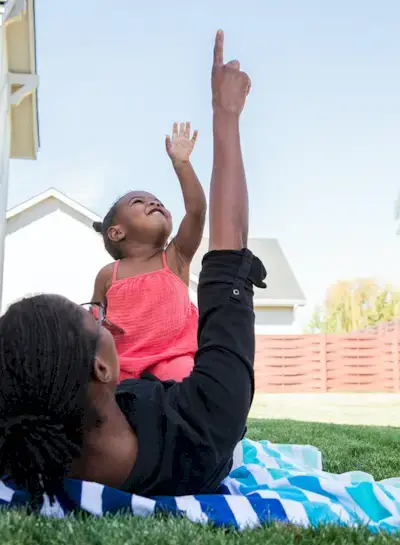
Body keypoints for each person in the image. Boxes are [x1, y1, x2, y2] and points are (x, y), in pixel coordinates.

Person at [0, 30, 266, 503]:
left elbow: (202, 220)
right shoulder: (206, 418)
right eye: (90, 315)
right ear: (100, 367)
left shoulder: (36, 440)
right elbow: (228, 250)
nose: (99, 313)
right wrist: (226, 116)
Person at [91, 121, 206, 382]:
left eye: (158, 202)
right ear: (117, 231)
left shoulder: (175, 258)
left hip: (173, 360)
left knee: (185, 385)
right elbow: (95, 324)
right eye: (139, 202)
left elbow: (196, 211)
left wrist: (182, 165)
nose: (154, 202)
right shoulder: (109, 275)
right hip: (122, 365)